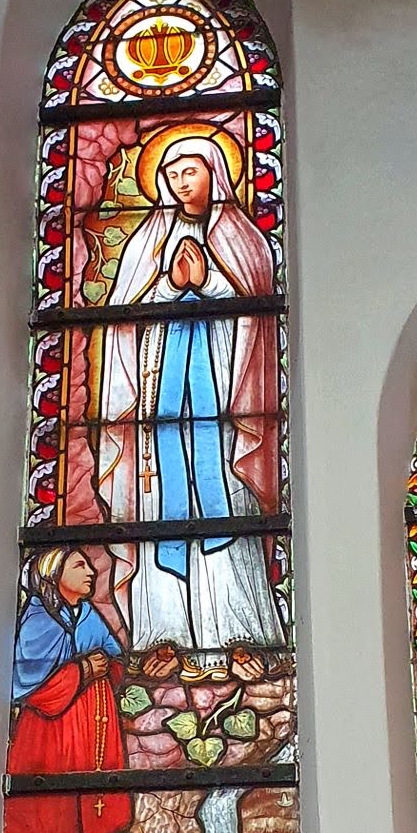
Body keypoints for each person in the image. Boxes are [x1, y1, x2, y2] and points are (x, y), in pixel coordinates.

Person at [95, 130, 284, 656]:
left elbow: (255, 307)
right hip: (160, 396)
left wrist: (209, 282)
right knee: (162, 507)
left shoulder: (244, 240)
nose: (181, 182)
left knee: (225, 493)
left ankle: (240, 634)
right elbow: (125, 312)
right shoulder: (146, 242)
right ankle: (164, 635)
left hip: (224, 394)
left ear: (215, 176)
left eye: (191, 172)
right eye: (172, 174)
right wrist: (170, 285)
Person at [3, 547, 132, 833]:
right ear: (54, 574)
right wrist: (83, 670)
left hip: (93, 719)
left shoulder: (88, 615)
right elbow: (30, 686)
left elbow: (116, 661)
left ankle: (99, 831)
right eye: (79, 566)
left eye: (89, 565)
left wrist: (108, 667)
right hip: (51, 729)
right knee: (52, 808)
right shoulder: (38, 619)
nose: (91, 572)